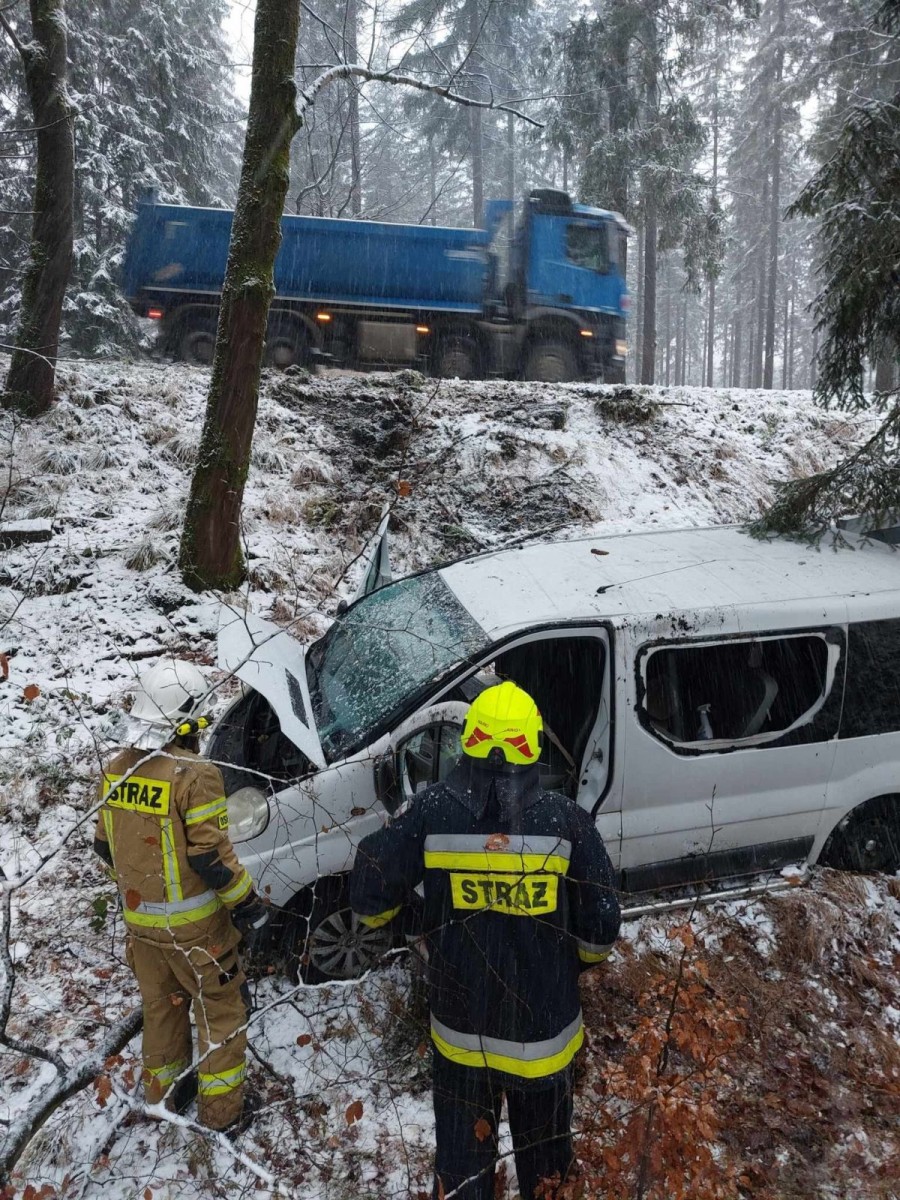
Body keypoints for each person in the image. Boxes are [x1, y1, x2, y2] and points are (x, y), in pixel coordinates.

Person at [350, 681, 621, 1199]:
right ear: (533, 747)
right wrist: (563, 967)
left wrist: (411, 917)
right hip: (544, 1039)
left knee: (462, 1170)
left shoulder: (431, 813)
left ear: (467, 742)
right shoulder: (568, 823)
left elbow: (368, 890)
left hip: (461, 1035)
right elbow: (602, 929)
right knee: (547, 1169)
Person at [93, 660, 269, 1133]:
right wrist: (248, 904)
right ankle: (221, 1117)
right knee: (222, 1013)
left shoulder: (115, 770)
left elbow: (103, 846)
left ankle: (163, 1098)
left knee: (163, 1011)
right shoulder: (196, 776)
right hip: (196, 934)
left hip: (141, 929)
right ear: (187, 719)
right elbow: (211, 859)